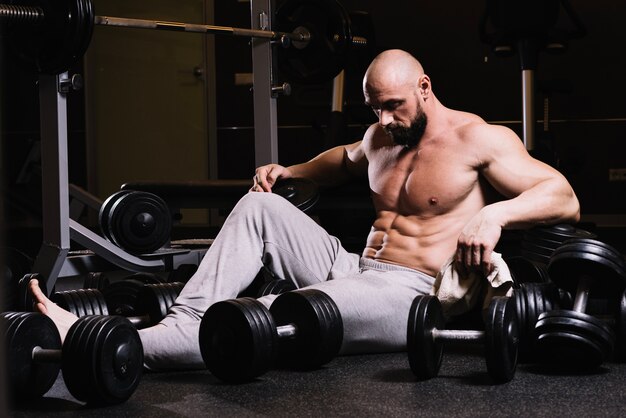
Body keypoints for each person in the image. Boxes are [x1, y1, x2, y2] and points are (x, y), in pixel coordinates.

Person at [29, 49, 580, 371]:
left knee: (271, 315)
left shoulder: (480, 139)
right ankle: (185, 321)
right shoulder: (379, 137)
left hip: (411, 293)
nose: (385, 120)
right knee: (259, 207)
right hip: (353, 268)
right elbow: (342, 159)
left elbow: (564, 197)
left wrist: (495, 216)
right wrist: (289, 171)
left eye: (394, 106)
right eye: (376, 109)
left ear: (425, 87)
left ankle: (99, 339)